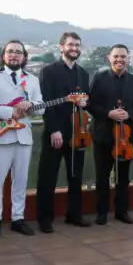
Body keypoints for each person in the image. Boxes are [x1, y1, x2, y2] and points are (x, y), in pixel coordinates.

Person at [0, 40, 42, 238]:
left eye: (18, 52)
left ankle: (17, 218)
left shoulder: (32, 79)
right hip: (0, 134)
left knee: (21, 181)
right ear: (3, 55)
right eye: (10, 52)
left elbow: (42, 106)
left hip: (23, 136)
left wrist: (31, 104)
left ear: (24, 57)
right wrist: (9, 112)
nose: (14, 55)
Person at [35, 31, 91, 233]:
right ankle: (45, 219)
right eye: (70, 45)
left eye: (77, 45)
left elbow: (86, 99)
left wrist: (85, 101)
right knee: (48, 176)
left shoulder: (83, 74)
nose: (74, 48)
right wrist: (54, 129)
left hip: (78, 132)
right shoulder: (48, 71)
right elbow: (46, 103)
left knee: (76, 175)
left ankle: (74, 214)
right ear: (61, 47)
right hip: (55, 131)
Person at [87, 44, 133, 225]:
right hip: (103, 135)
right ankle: (102, 212)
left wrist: (129, 114)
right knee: (102, 176)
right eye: (116, 56)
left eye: (123, 56)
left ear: (128, 59)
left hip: (126, 139)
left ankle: (122, 211)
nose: (120, 59)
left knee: (123, 177)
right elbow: (90, 104)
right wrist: (108, 113)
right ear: (109, 58)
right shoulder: (98, 78)